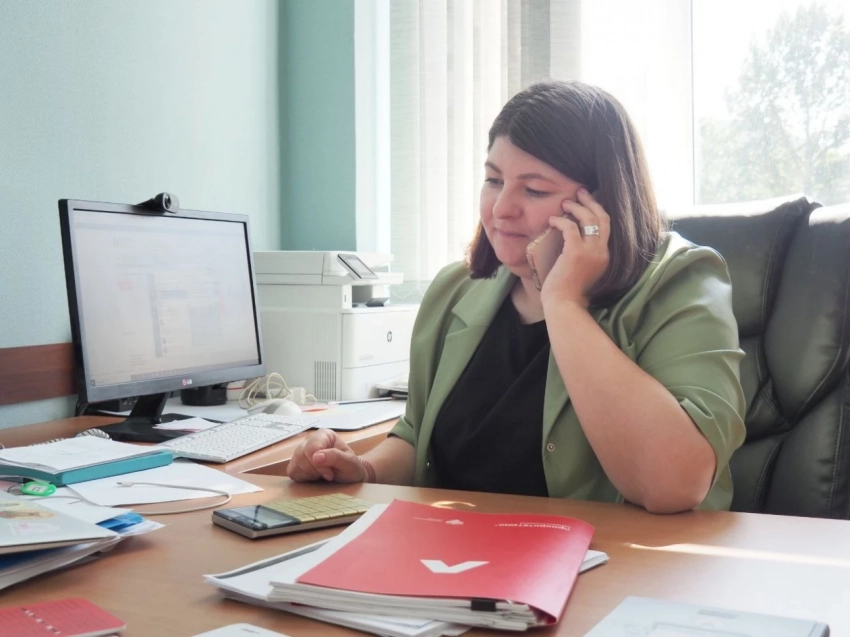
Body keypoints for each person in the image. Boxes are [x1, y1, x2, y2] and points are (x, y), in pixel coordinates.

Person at [289, 80, 746, 514]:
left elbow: (673, 484)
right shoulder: (454, 291)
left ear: (601, 205)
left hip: (611, 558)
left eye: (534, 189)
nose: (501, 208)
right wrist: (363, 470)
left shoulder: (682, 281)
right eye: (493, 180)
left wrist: (563, 303)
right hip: (456, 554)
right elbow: (417, 438)